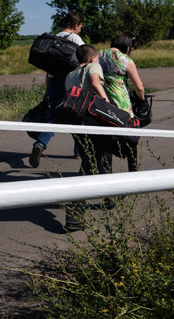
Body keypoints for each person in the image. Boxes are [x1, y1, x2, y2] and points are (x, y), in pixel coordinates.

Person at [29, 11, 84, 168]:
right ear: (75, 25)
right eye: (80, 26)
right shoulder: (75, 38)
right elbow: (85, 59)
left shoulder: (55, 38)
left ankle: (40, 144)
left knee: (52, 116)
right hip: (69, 83)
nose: (80, 29)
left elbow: (49, 69)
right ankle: (79, 150)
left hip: (53, 82)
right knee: (76, 116)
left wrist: (47, 90)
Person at [63, 44, 109, 231]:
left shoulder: (70, 74)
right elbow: (96, 82)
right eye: (97, 58)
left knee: (96, 159)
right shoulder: (93, 66)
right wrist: (106, 103)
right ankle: (75, 213)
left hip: (76, 122)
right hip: (92, 121)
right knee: (89, 164)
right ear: (92, 58)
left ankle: (110, 197)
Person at [99, 32, 145, 172]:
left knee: (105, 140)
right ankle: (133, 172)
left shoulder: (98, 55)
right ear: (127, 46)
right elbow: (139, 87)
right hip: (122, 104)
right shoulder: (125, 60)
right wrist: (142, 101)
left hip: (102, 103)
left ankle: (107, 175)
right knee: (130, 138)